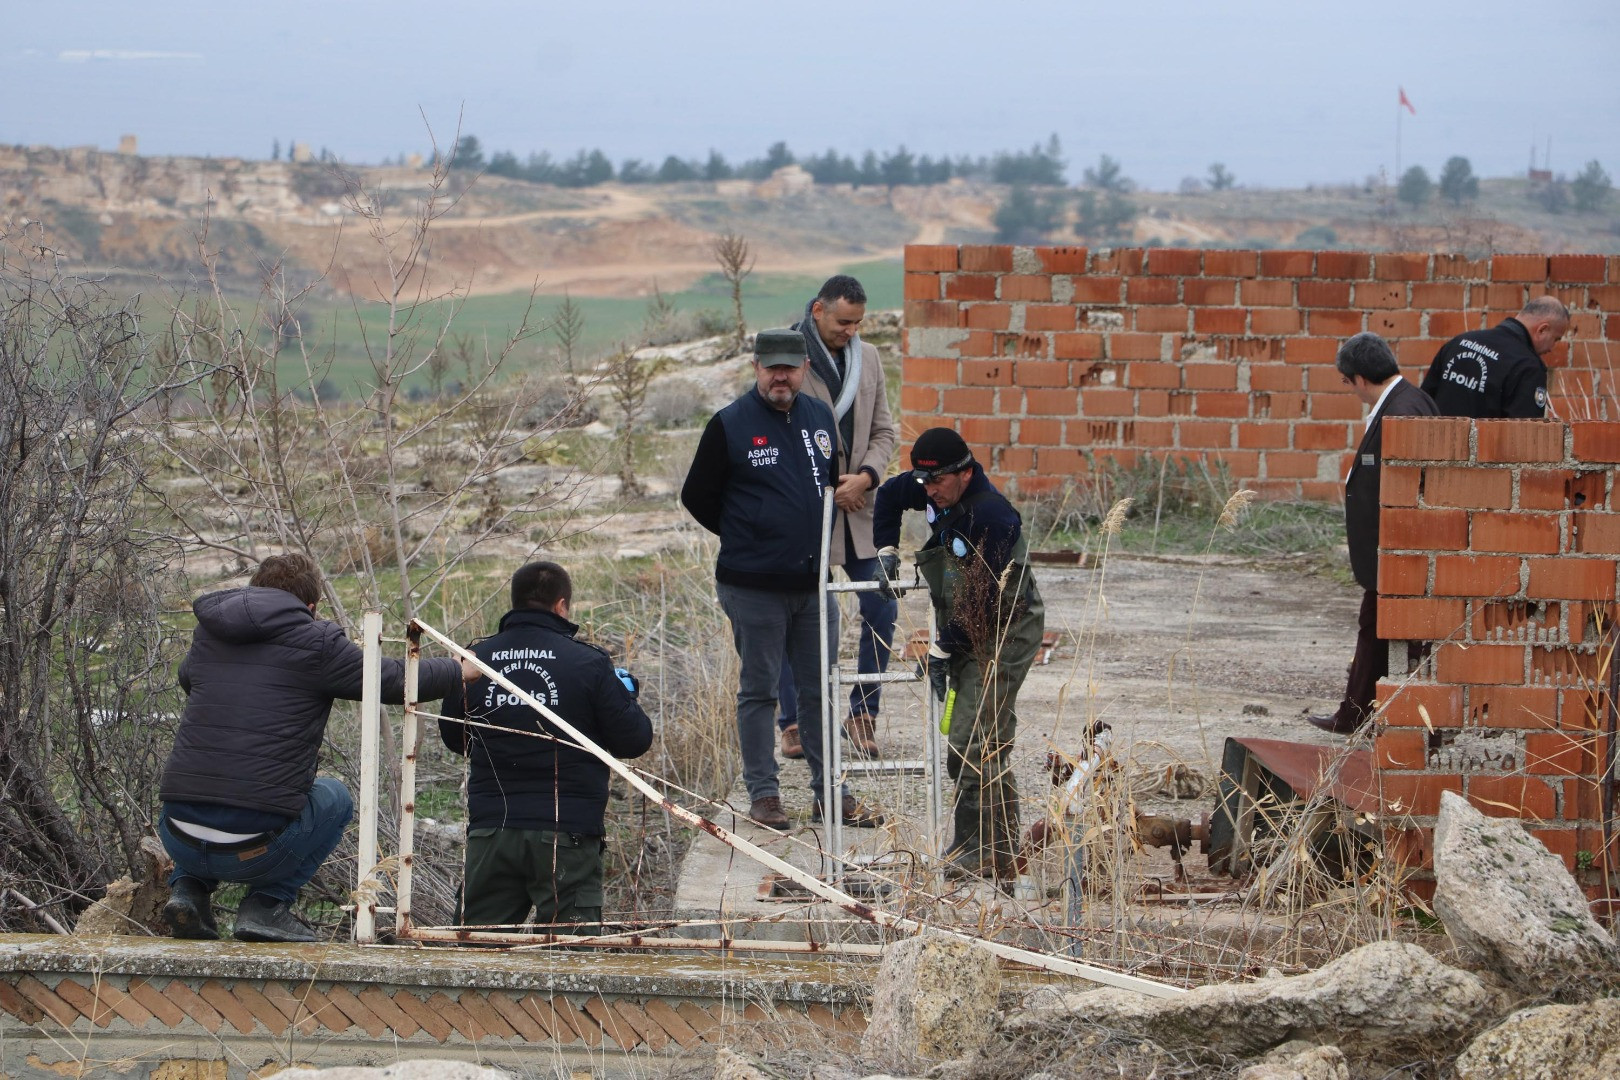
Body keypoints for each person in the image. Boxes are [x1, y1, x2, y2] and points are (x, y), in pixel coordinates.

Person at [158, 553, 479, 942]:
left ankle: (188, 890)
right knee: (335, 797)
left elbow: (189, 680)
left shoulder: (210, 634)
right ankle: (265, 906)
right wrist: (456, 670)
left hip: (176, 836)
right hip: (253, 850)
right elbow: (392, 679)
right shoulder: (315, 641)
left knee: (209, 783)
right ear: (310, 608)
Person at [681, 328, 883, 832]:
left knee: (820, 691)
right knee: (760, 691)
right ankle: (764, 795)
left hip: (813, 585)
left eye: (789, 368)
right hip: (752, 586)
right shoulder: (729, 424)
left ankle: (831, 793)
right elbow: (697, 496)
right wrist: (748, 534)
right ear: (756, 367)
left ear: (804, 370)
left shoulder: (818, 417)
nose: (780, 377)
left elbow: (827, 484)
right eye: (771, 367)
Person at [438, 561, 653, 933]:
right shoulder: (589, 662)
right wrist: (624, 697)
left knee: (479, 953)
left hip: (493, 830)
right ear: (561, 606)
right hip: (566, 833)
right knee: (571, 954)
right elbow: (634, 740)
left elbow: (455, 737)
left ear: (515, 602)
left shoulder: (474, 661)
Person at [872, 428, 1044, 880]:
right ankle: (994, 847)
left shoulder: (993, 516)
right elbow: (888, 495)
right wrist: (885, 551)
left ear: (965, 473)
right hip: (966, 624)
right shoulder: (932, 485)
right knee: (976, 738)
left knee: (975, 738)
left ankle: (982, 847)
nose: (929, 491)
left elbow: (986, 603)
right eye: (923, 482)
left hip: (1005, 629)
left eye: (937, 482)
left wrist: (941, 650)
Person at [776, 274, 898, 762]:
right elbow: (774, 436)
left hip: (861, 510)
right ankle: (794, 721)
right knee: (798, 614)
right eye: (843, 322)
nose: (851, 331)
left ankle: (863, 713)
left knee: (882, 606)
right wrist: (828, 486)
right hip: (807, 513)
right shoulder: (786, 356)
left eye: (857, 323)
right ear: (818, 310)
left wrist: (865, 477)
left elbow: (885, 430)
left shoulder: (869, 358)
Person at [1308, 333, 1438, 735]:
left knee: (1381, 631)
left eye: (1347, 382)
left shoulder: (1403, 411)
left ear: (1360, 379)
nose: (1351, 389)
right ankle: (1358, 713)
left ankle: (1359, 716)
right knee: (1375, 630)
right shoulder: (1409, 401)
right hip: (1394, 549)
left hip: (1398, 549)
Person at [1420, 296, 1570, 418]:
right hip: (1483, 447)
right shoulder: (1528, 368)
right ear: (1542, 330)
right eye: (1556, 339)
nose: (1552, 348)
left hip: (1433, 444)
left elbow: (1423, 403)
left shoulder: (1460, 342)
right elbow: (1524, 435)